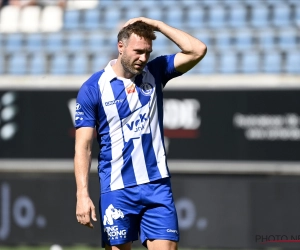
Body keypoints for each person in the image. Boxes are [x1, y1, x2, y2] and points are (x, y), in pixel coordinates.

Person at [74, 17, 207, 250]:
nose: (144, 58)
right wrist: (82, 195)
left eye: (148, 52)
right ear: (121, 46)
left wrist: (157, 25)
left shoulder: (155, 72)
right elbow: (83, 147)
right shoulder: (94, 88)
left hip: (157, 186)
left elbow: (197, 50)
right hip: (117, 188)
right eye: (138, 51)